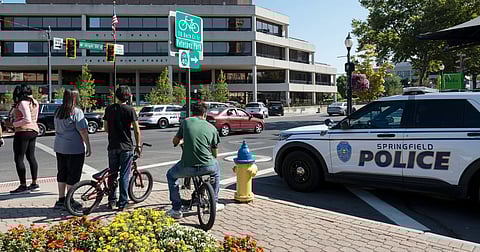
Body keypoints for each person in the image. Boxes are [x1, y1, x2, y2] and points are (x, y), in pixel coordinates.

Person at [166, 102, 224, 219]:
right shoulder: (212, 128)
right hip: (208, 165)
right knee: (216, 169)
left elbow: (175, 141)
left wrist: (180, 142)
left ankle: (176, 209)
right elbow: (215, 154)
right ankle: (215, 202)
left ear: (193, 113)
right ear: (205, 114)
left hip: (187, 166)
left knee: (171, 175)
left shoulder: (186, 122)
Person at [103, 86, 142, 211]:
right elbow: (136, 129)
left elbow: (106, 128)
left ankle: (111, 200)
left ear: (116, 96)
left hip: (112, 146)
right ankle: (122, 202)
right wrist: (138, 145)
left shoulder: (109, 109)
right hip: (126, 146)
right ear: (129, 96)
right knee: (124, 175)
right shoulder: (130, 110)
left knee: (112, 174)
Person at [53, 89, 92, 209]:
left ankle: (61, 199)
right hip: (74, 148)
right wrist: (88, 146)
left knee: (62, 172)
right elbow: (83, 131)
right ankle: (70, 200)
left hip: (60, 146)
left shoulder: (58, 111)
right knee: (73, 174)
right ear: (76, 98)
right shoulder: (76, 112)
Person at [9, 84, 40, 194]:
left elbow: (26, 119)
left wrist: (14, 124)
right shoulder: (34, 101)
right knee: (31, 157)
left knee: (19, 158)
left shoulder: (23, 103)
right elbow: (33, 118)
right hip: (33, 131)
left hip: (23, 131)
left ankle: (23, 185)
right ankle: (34, 183)